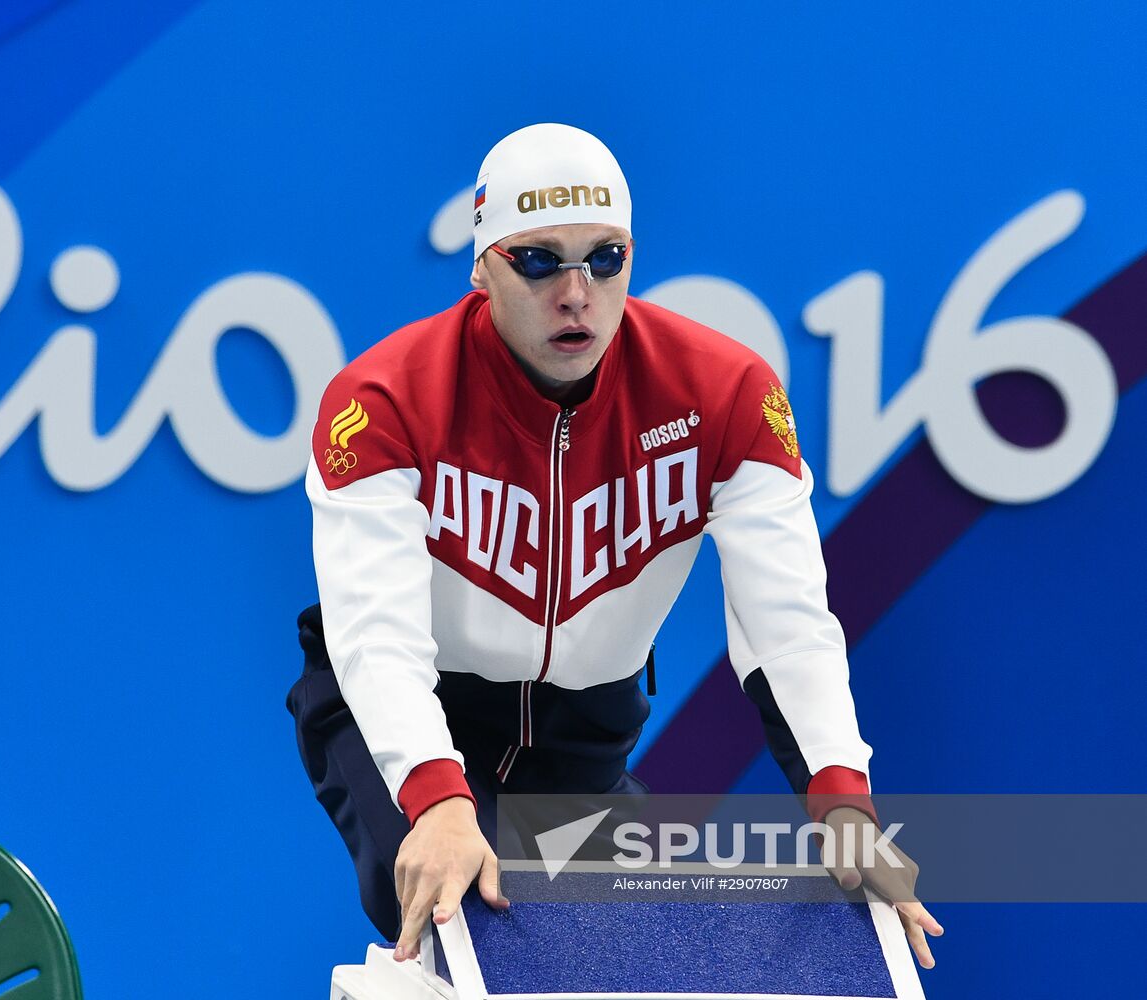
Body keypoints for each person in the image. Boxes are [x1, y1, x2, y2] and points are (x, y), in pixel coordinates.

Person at [288, 123, 942, 971]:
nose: (577, 293)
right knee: (474, 925)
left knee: (623, 960)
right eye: (538, 261)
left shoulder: (726, 396)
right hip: (409, 705)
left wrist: (843, 803)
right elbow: (375, 633)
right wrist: (437, 800)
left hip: (584, 736)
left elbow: (787, 625)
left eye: (606, 259)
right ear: (481, 267)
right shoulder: (382, 401)